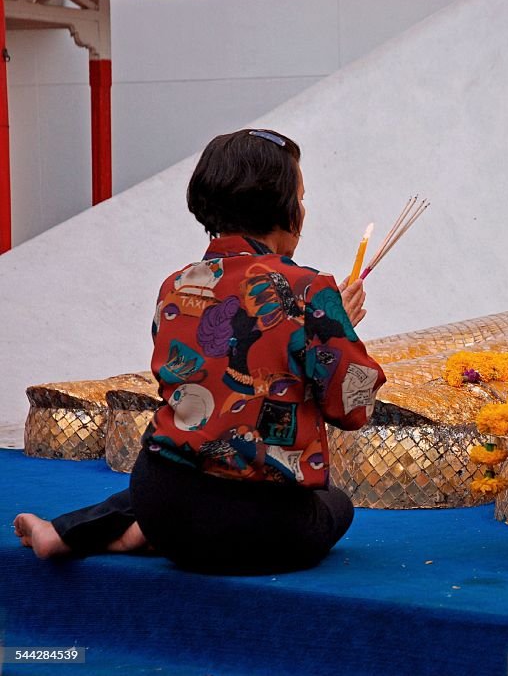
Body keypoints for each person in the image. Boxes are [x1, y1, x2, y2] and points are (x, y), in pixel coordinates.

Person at [13, 129, 385, 575]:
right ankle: (124, 535)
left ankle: (82, 531)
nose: (303, 211)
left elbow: (202, 391)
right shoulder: (310, 289)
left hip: (162, 504)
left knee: (189, 457)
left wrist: (323, 326)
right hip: (256, 524)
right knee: (335, 505)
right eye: (300, 198)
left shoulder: (176, 285)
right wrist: (335, 326)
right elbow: (352, 408)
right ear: (283, 207)